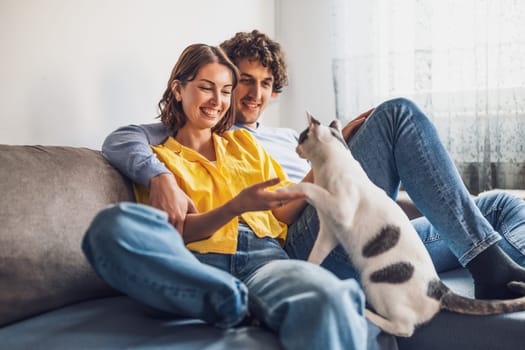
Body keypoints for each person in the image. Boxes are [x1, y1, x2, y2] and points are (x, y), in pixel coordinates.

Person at [102, 30, 525, 301]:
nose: (251, 93)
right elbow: (125, 139)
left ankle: (497, 266)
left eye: (264, 84)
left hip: (341, 218)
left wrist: (338, 149)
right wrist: (158, 174)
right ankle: (490, 268)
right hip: (304, 240)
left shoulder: (279, 139)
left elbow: (304, 188)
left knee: (498, 206)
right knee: (397, 115)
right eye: (242, 81)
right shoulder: (191, 139)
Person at [83, 43, 372, 350]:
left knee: (328, 296)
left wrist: (328, 154)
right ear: (178, 90)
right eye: (206, 88)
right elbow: (179, 233)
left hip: (266, 261)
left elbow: (283, 211)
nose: (217, 101)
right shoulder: (157, 159)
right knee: (110, 225)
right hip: (197, 265)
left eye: (225, 91)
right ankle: (226, 298)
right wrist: (236, 207)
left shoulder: (244, 145)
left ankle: (233, 301)